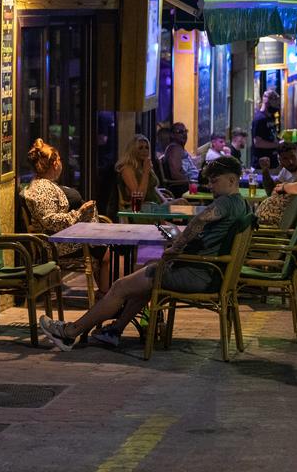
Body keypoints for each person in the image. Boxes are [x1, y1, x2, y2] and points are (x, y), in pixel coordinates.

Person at [39, 156, 253, 351]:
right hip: (209, 272)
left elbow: (200, 219)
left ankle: (70, 332)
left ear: (232, 181)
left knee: (120, 285)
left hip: (198, 274)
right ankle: (114, 331)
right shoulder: (242, 204)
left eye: (215, 181)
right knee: (147, 270)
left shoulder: (226, 202)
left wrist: (176, 247)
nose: (211, 186)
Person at [22, 139, 110, 293]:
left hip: (62, 238)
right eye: (60, 159)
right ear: (55, 163)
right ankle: (107, 296)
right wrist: (80, 212)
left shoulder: (44, 184)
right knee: (107, 253)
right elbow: (51, 220)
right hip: (55, 244)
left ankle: (107, 295)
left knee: (105, 245)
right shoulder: (42, 188)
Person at [116, 135, 174, 210]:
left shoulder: (144, 165)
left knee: (182, 203)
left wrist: (166, 202)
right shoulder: (127, 168)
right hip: (141, 208)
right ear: (133, 150)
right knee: (181, 203)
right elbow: (138, 200)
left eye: (147, 148)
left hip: (156, 206)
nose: (144, 151)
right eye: (140, 148)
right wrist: (145, 172)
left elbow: (154, 188)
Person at [164, 123, 199, 192]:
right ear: (172, 135)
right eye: (180, 132)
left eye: (185, 131)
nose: (184, 134)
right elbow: (175, 174)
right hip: (187, 187)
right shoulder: (175, 149)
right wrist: (192, 183)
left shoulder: (179, 148)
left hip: (194, 182)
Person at [252, 90, 282, 168]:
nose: (277, 106)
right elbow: (258, 143)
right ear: (267, 101)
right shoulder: (259, 119)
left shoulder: (271, 117)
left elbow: (271, 135)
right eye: (275, 103)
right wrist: (277, 145)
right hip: (262, 165)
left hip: (273, 162)